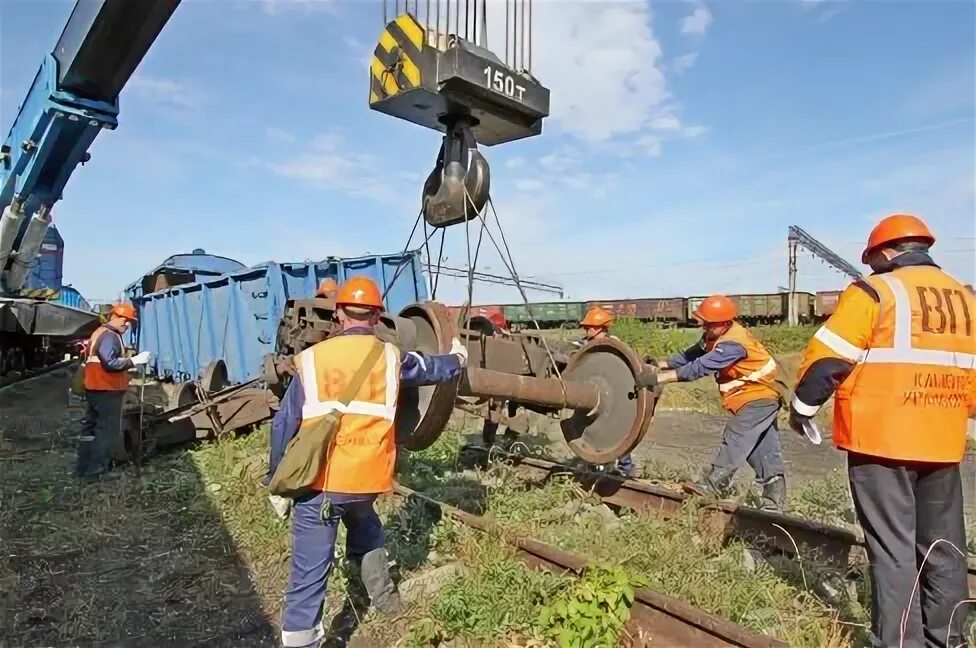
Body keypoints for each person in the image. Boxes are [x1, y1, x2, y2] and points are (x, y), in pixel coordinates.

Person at [789, 214, 974, 648]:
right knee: (944, 547)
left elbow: (829, 359)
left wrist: (802, 408)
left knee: (894, 552)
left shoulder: (876, 290)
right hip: (943, 440)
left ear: (886, 253)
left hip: (882, 441)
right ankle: (949, 639)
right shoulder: (966, 301)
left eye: (873, 260)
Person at [268, 276, 468, 648]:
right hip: (366, 482)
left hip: (321, 485)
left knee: (309, 575)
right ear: (376, 316)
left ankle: (301, 641)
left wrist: (276, 480)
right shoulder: (391, 357)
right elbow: (436, 369)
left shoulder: (311, 360)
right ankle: (387, 601)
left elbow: (283, 423)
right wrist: (458, 356)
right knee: (367, 528)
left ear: (340, 314)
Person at [639, 296, 787, 511]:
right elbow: (690, 356)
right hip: (749, 397)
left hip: (760, 396)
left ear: (725, 323)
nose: (704, 326)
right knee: (762, 447)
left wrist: (658, 378)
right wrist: (658, 365)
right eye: (704, 322)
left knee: (736, 435)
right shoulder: (714, 335)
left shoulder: (733, 344)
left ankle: (713, 485)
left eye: (709, 323)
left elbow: (699, 367)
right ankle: (774, 502)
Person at [76, 303, 149, 481]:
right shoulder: (110, 336)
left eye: (129, 322)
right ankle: (97, 471)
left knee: (91, 430)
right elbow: (110, 363)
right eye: (125, 321)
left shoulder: (100, 332)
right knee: (106, 432)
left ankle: (84, 467)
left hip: (95, 388)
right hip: (107, 390)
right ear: (115, 317)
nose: (127, 325)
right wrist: (134, 361)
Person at [578, 306, 637, 478]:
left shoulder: (615, 347)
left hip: (618, 396)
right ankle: (596, 467)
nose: (586, 330)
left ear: (598, 328)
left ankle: (626, 469)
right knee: (594, 430)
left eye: (588, 327)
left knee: (617, 433)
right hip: (596, 395)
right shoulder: (588, 345)